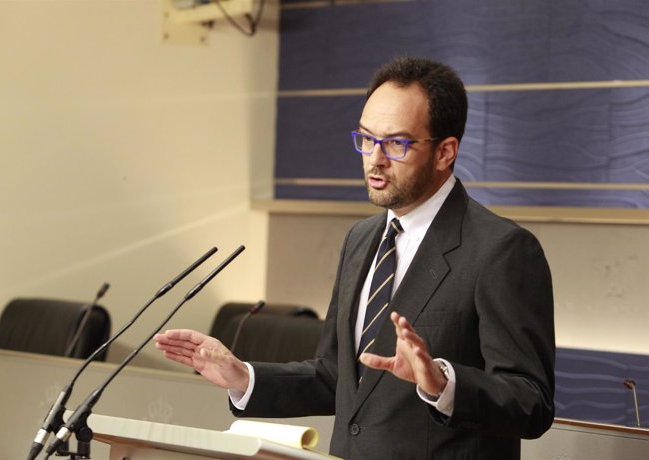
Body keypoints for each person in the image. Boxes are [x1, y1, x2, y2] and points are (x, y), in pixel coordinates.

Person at [154, 57, 555, 459]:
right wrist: (243, 376)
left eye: (396, 144)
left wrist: (443, 384)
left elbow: (531, 402)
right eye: (366, 138)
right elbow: (336, 376)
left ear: (445, 152)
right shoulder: (362, 239)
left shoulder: (500, 250)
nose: (374, 159)